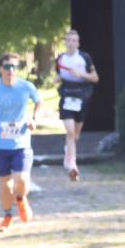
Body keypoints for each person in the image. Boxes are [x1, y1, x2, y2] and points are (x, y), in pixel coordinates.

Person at [0, 53, 42, 232]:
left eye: (14, 67)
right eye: (6, 67)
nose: (10, 70)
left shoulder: (26, 87)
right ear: (0, 69)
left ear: (17, 69)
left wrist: (34, 118)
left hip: (21, 143)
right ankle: (7, 216)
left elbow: (39, 101)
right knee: (6, 183)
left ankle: (21, 199)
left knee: (22, 178)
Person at [54, 29, 98, 182]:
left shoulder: (84, 58)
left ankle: (68, 152)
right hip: (66, 95)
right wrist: (57, 78)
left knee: (75, 134)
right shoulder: (60, 59)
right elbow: (58, 73)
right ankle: (73, 165)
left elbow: (95, 78)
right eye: (68, 40)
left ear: (78, 43)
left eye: (74, 40)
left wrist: (82, 75)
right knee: (70, 131)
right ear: (65, 42)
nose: (71, 43)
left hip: (81, 96)